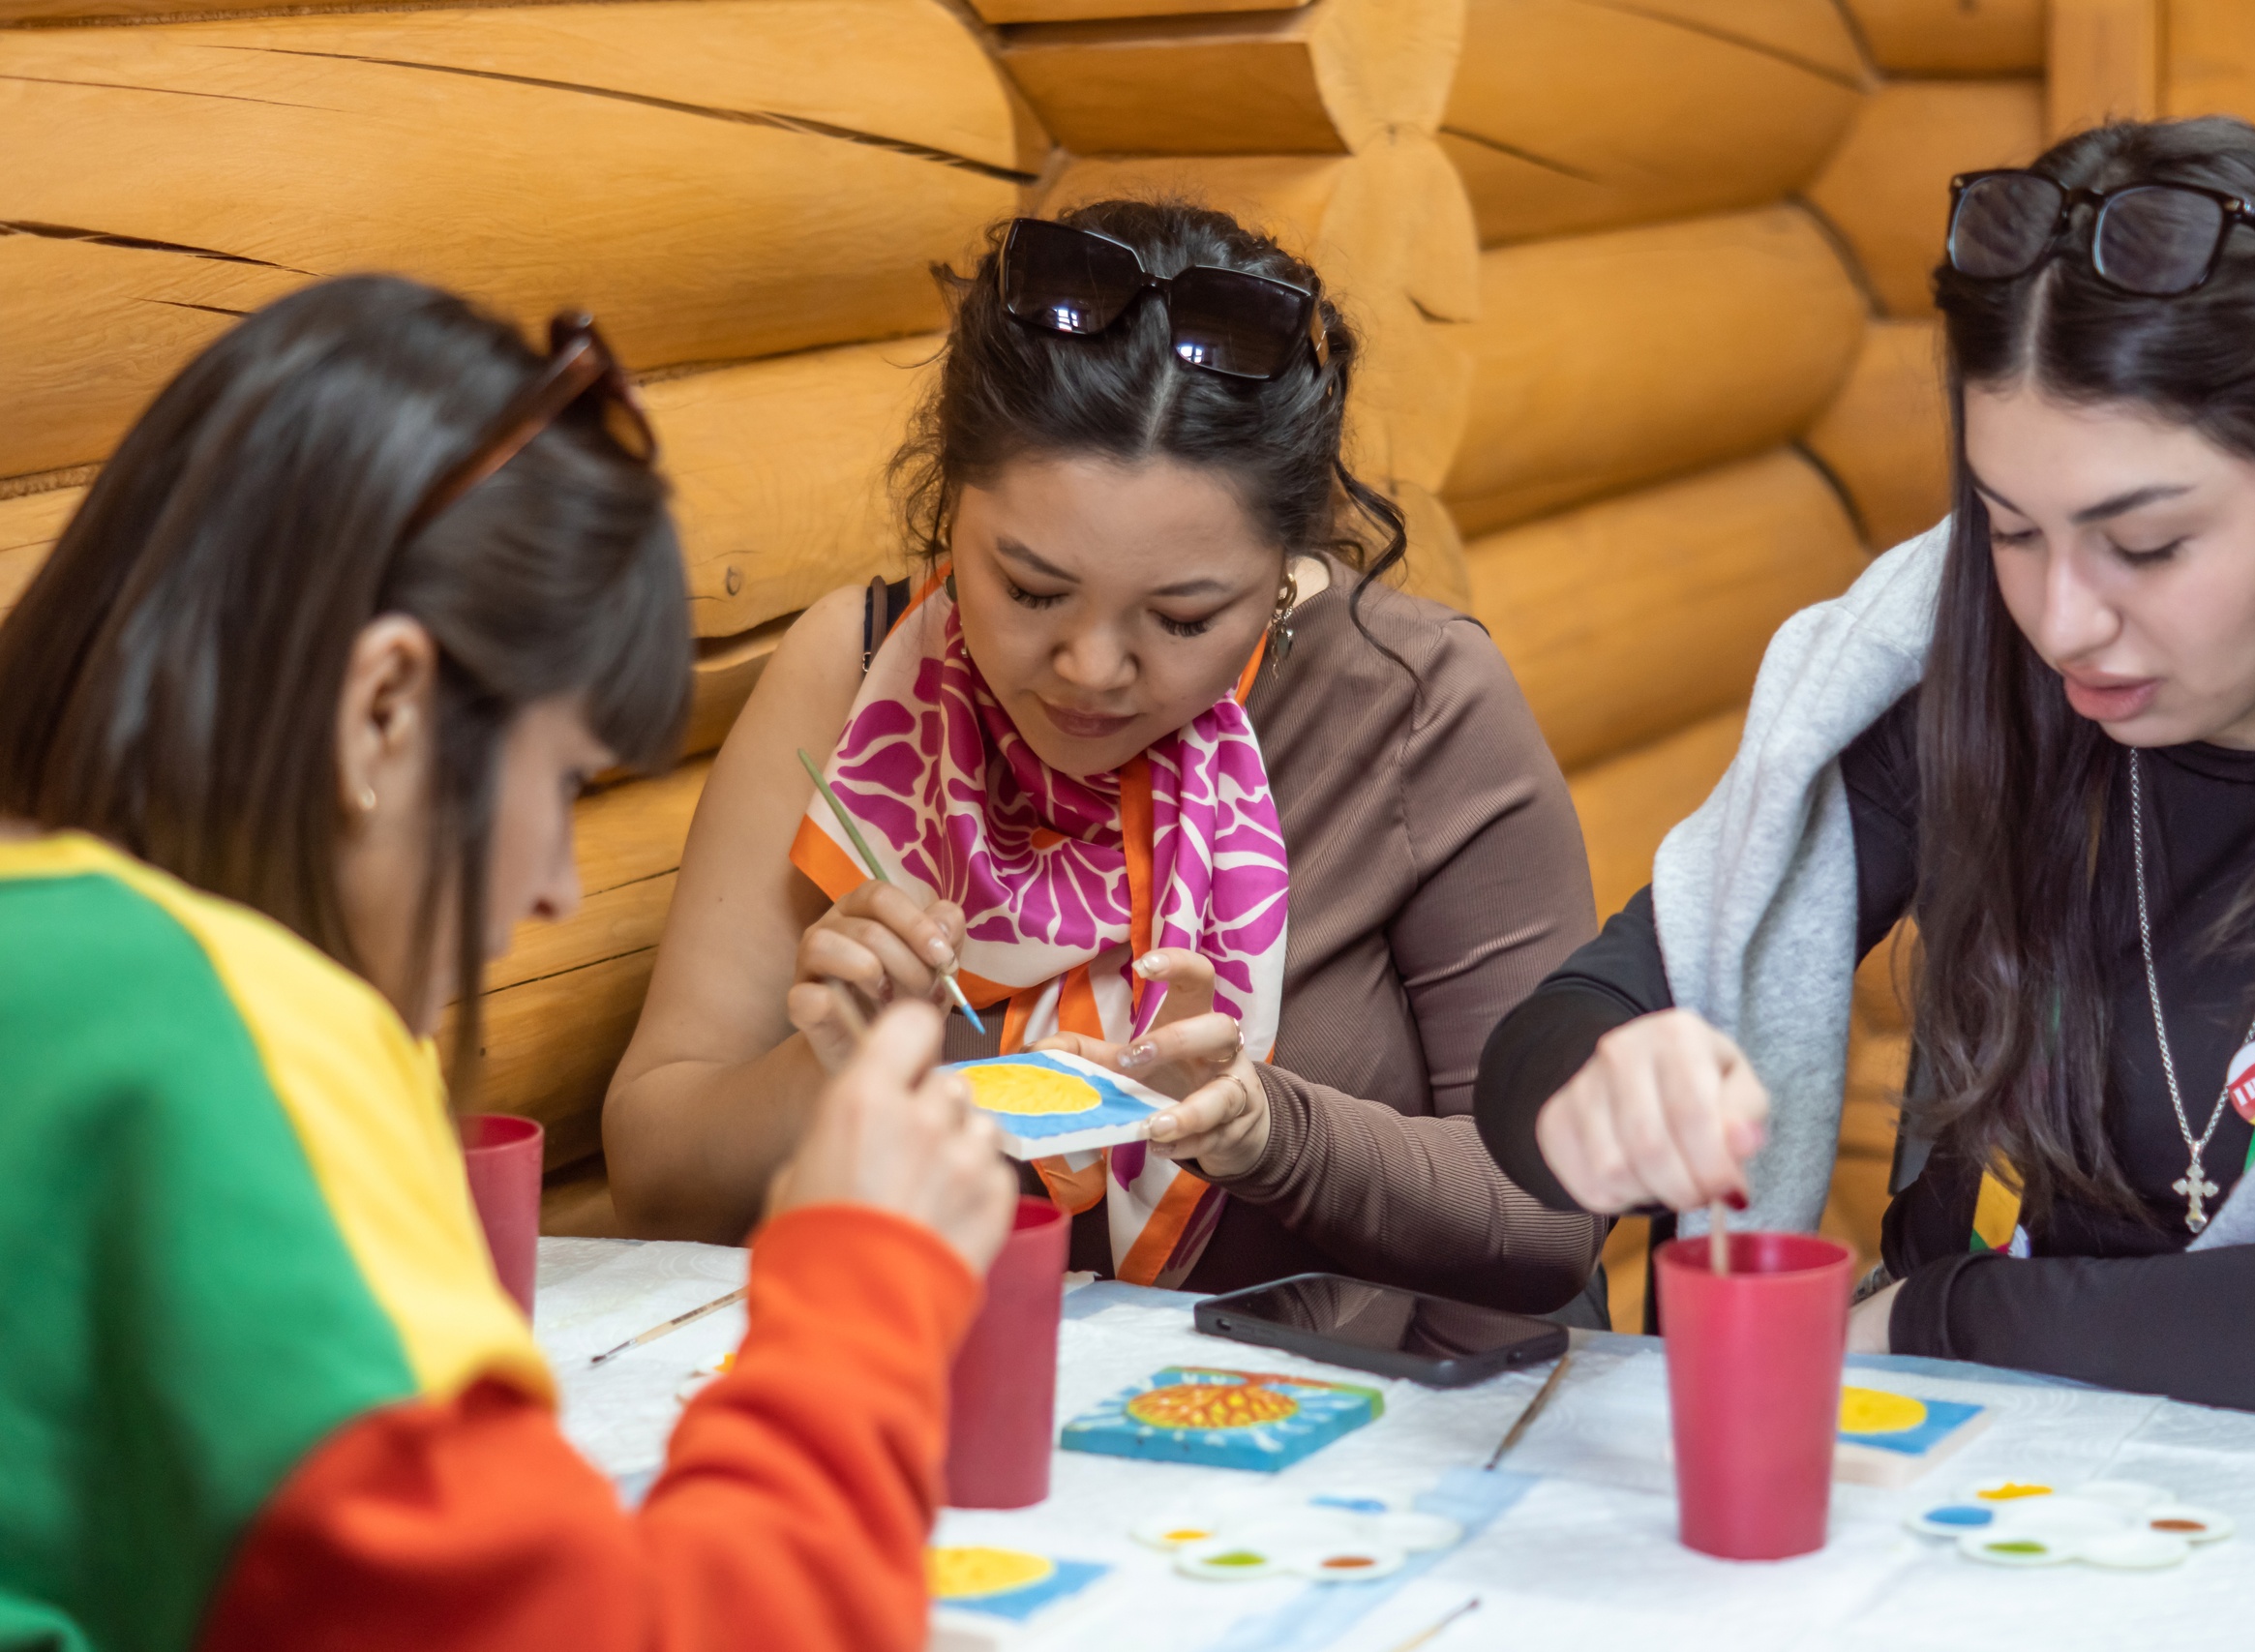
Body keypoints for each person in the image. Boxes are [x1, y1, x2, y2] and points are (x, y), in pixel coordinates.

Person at [0, 276, 1017, 1651]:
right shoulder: (219, 1039)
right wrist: (860, 1293)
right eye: (564, 782)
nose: (557, 888)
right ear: (383, 706)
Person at [1473, 116, 2255, 1430]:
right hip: (1978, 1470)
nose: (2062, 623)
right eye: (2009, 528)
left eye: (2147, 545)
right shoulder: (1953, 661)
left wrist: (1931, 1320)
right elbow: (1573, 1018)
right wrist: (1598, 1082)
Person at [605, 201, 1605, 1312]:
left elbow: (1551, 1215)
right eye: (1030, 589)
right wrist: (831, 1066)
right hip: (937, 1386)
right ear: (951, 506)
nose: (1089, 669)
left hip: (1342, 1411)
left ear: (1282, 570)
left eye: (1181, 618)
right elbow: (654, 1180)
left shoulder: (1414, 703)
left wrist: (1270, 1131)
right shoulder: (859, 675)